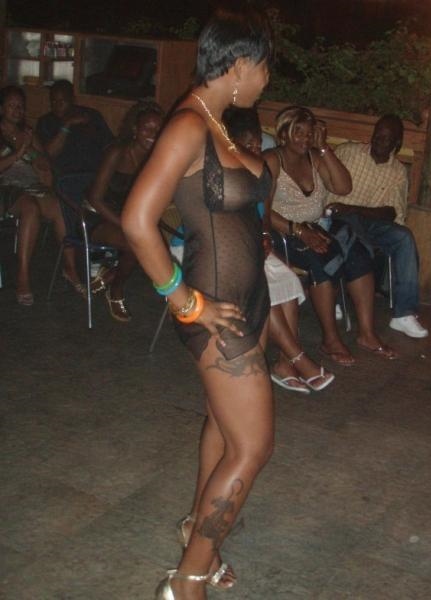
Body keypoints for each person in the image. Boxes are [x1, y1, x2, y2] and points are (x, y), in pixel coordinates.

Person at [122, 9, 274, 599]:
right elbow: (138, 221)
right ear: (240, 65)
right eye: (264, 68)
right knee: (253, 446)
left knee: (223, 424)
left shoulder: (217, 122)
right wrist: (185, 303)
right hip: (216, 311)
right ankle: (186, 581)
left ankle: (196, 532)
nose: (266, 80)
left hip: (248, 303)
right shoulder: (188, 124)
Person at [264, 105, 397, 367]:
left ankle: (367, 333)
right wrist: (298, 230)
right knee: (321, 259)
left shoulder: (315, 157)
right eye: (298, 132)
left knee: (359, 254)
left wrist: (324, 148)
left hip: (318, 225)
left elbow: (344, 187)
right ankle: (330, 339)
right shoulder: (271, 160)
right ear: (283, 134)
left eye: (308, 133)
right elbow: (262, 210)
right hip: (283, 231)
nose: (304, 138)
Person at [223, 105, 334, 393]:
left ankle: (284, 363)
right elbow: (220, 225)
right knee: (263, 288)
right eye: (248, 145)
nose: (256, 150)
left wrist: (263, 236)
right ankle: (298, 358)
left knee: (289, 281)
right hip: (214, 248)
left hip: (248, 245)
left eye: (258, 144)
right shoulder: (222, 172)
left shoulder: (258, 172)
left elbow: (263, 215)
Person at [325, 114, 428, 339]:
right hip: (338, 218)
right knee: (350, 235)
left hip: (370, 221)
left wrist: (353, 209)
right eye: (377, 135)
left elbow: (391, 212)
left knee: (404, 237)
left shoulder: (397, 171)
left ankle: (403, 313)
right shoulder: (348, 152)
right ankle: (333, 297)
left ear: (397, 143)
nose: (379, 141)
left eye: (386, 138)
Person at [0, 85, 82, 305]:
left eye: (20, 106)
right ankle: (23, 276)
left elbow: (45, 164)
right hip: (5, 188)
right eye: (11, 106)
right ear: (1, 108)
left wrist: (31, 151)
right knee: (30, 208)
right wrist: (18, 152)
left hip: (31, 186)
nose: (17, 110)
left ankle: (70, 268)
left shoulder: (28, 133)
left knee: (59, 206)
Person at [85, 101, 164, 322]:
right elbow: (95, 198)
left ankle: (111, 275)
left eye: (158, 129)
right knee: (138, 244)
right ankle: (116, 288)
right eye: (147, 128)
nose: (153, 134)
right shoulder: (117, 153)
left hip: (128, 220)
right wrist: (125, 225)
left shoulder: (155, 158)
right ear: (135, 129)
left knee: (146, 241)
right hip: (98, 216)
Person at [36, 79, 113, 180]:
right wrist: (67, 125)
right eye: (54, 101)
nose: (57, 106)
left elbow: (109, 147)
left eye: (62, 101)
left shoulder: (91, 115)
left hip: (95, 175)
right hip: (66, 177)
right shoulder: (45, 122)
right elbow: (48, 154)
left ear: (73, 100)